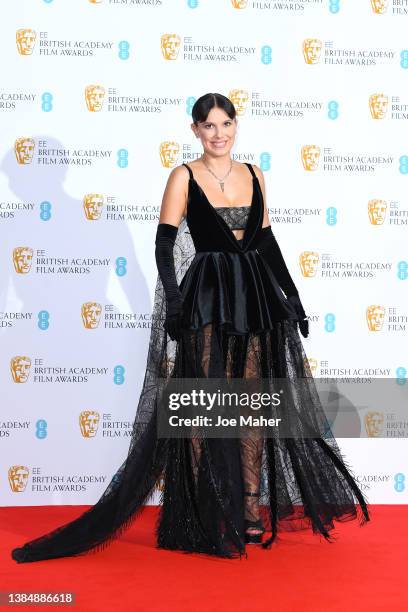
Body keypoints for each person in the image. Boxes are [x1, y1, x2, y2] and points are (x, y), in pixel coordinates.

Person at [11, 92, 370, 563]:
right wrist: (176, 301)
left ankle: (248, 506)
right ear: (195, 130)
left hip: (256, 296)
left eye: (226, 124)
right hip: (207, 297)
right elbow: (164, 246)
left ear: (236, 126)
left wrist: (293, 296)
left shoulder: (255, 174)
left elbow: (264, 240)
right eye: (209, 126)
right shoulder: (182, 176)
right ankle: (207, 508)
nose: (218, 134)